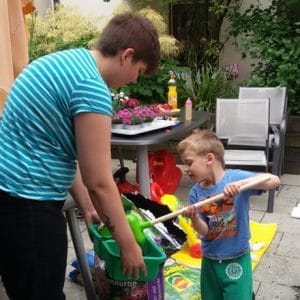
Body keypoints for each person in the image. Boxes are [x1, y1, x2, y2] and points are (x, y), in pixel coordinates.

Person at [0, 12, 160, 300]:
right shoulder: (91, 88)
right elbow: (99, 180)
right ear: (127, 55)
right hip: (28, 205)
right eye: (138, 71)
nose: (133, 81)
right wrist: (128, 245)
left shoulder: (65, 62)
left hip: (10, 197)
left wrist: (87, 206)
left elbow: (58, 148)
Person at [177, 129, 280, 300]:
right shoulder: (196, 192)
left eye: (189, 163)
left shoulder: (235, 178)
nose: (186, 169)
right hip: (210, 258)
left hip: (236, 257)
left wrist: (242, 184)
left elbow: (274, 180)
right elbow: (205, 232)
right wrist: (194, 216)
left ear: (209, 158)